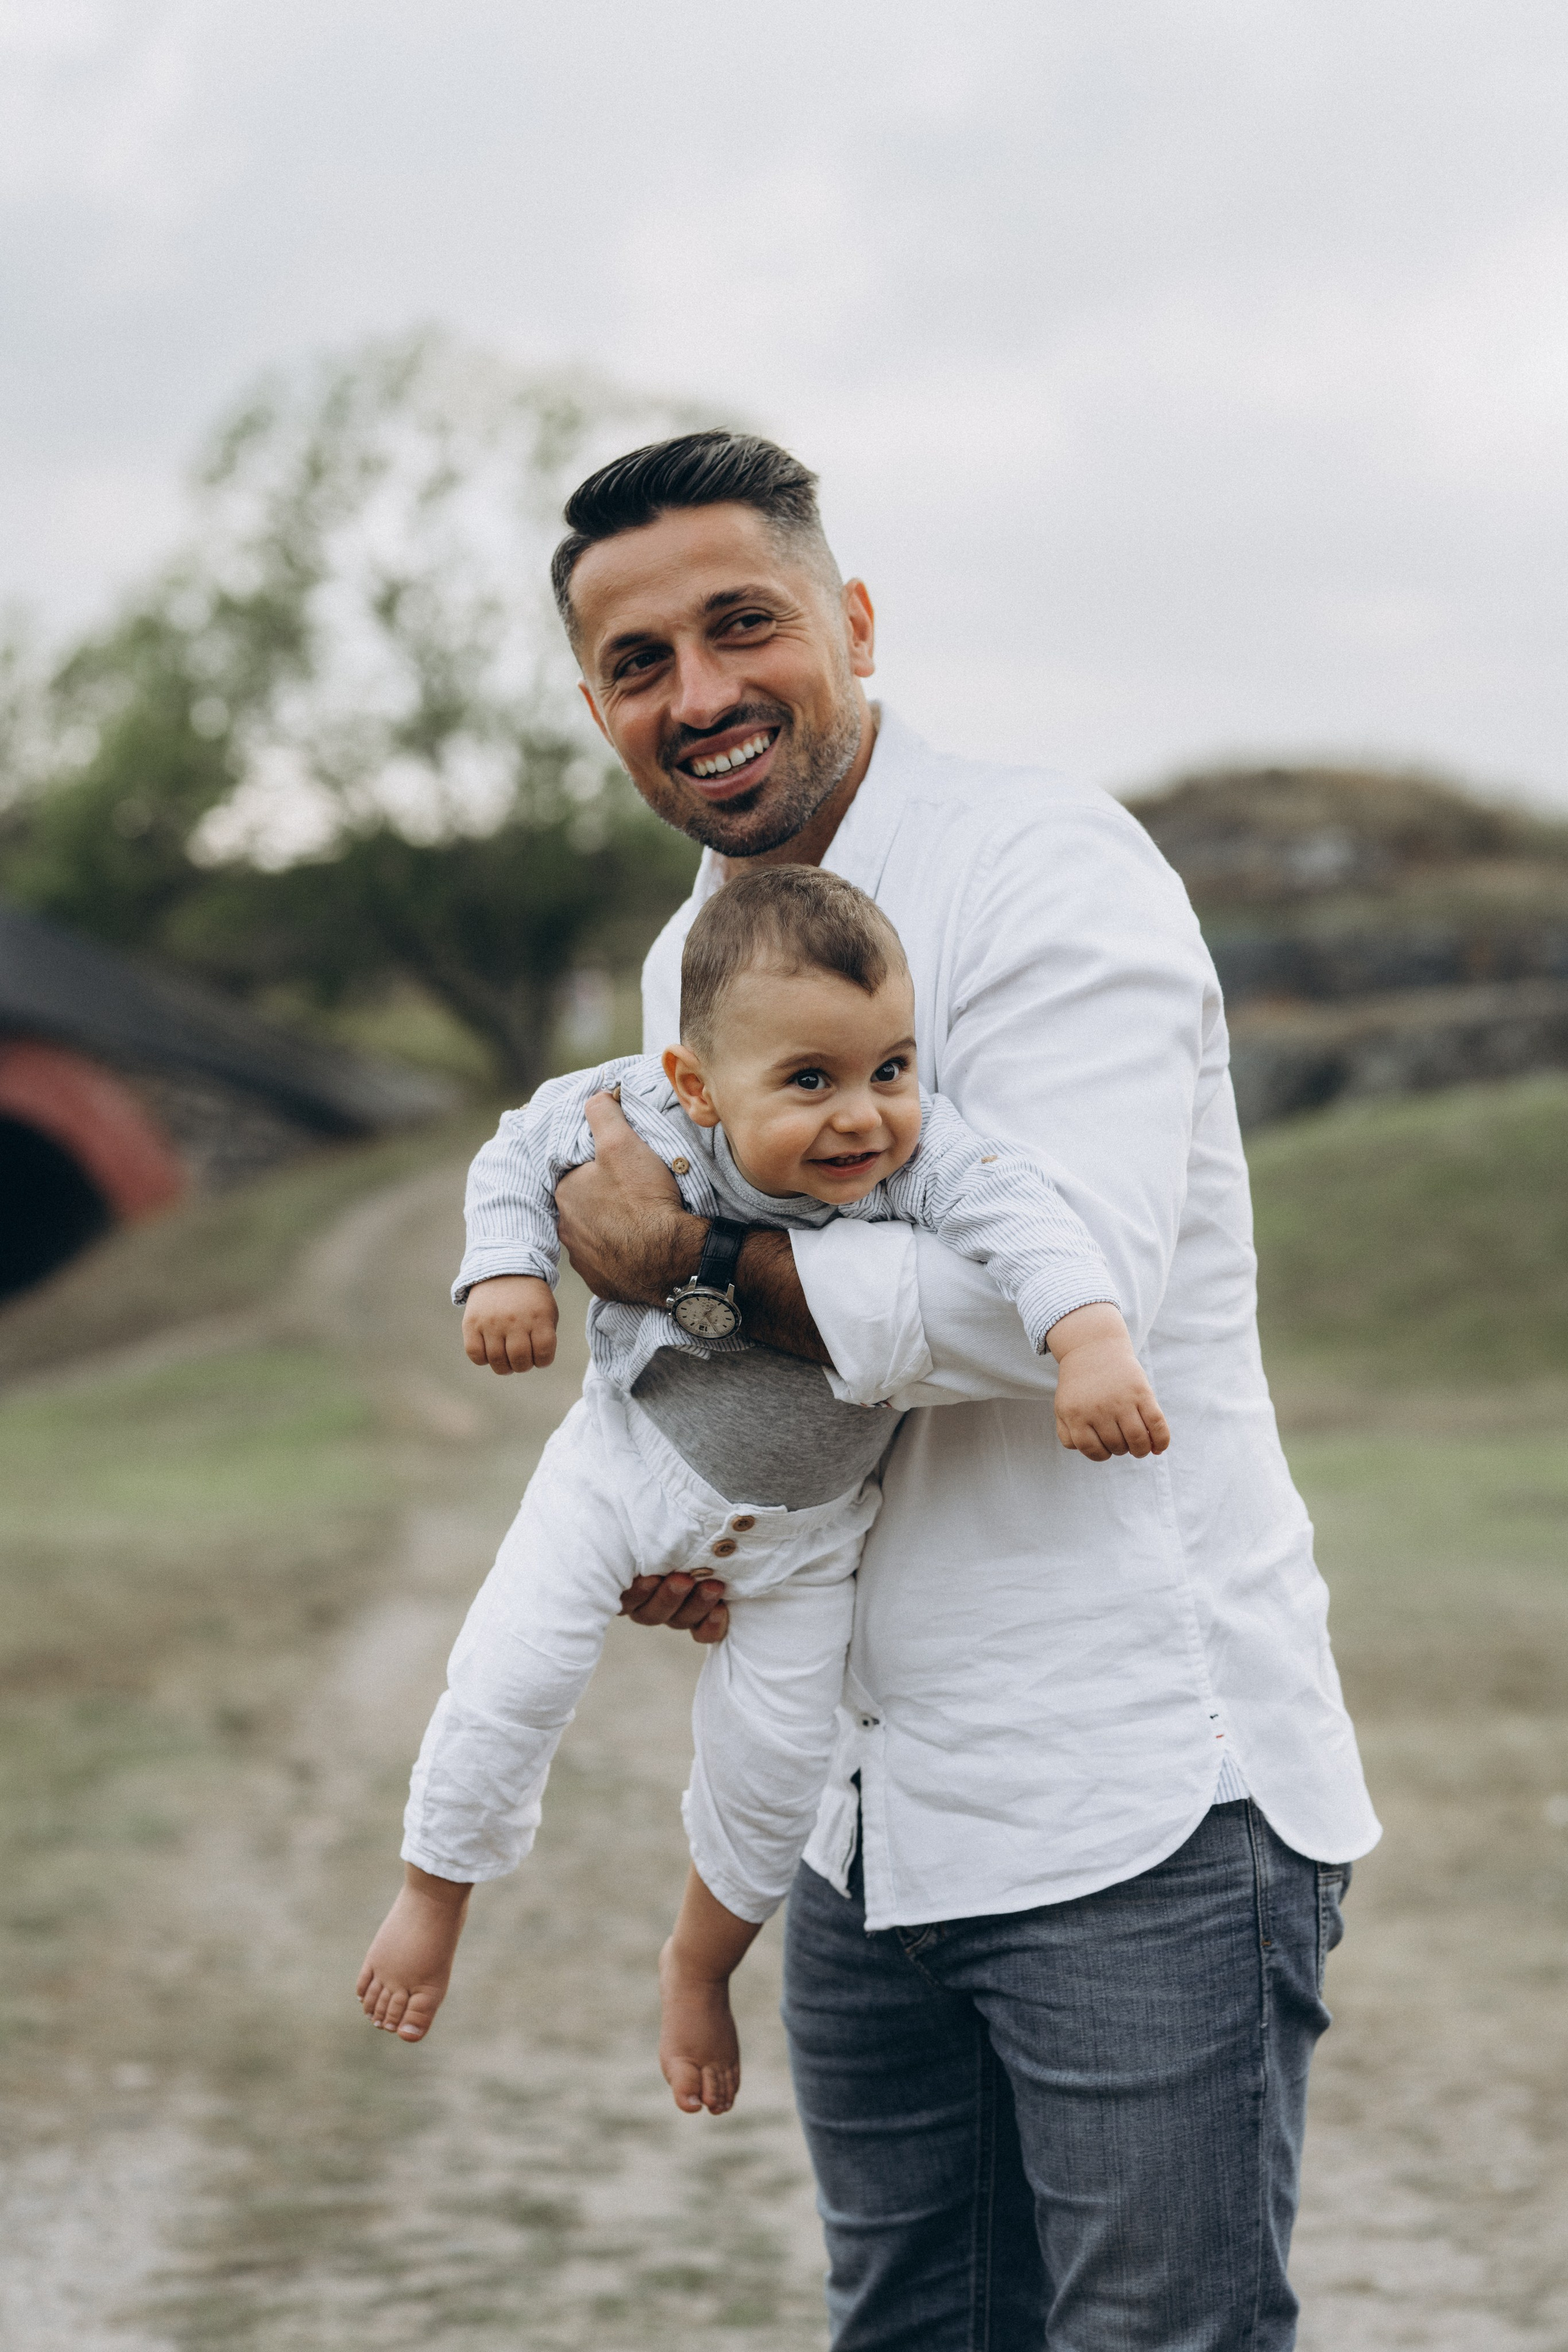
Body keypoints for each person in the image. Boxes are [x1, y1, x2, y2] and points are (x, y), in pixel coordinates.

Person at [533, 430, 1381, 2351]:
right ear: (598, 709)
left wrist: (694, 1265)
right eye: (640, 663)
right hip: (857, 1816)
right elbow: (729, 1344)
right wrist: (699, 1516)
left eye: (744, 626)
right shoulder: (691, 958)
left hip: (1132, 1801)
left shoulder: (1042, 866)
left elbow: (1053, 1296)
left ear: (853, 620)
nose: (701, 693)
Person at [356, 863, 1167, 2119]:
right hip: (620, 1476)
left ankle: (698, 1963)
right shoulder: (640, 1114)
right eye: (810, 1082)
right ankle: (434, 1889)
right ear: (696, 1085)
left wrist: (1090, 1340)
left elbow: (1025, 1219)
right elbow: (519, 1147)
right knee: (513, 1678)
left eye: (890, 1068)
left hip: (807, 1546)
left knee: (775, 1770)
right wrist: (506, 1270)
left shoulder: (922, 1156)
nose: (863, 1118)